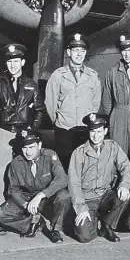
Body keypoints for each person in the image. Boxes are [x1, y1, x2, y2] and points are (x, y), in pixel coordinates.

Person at [0, 44, 45, 235]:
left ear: (23, 62)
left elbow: (39, 111)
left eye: (16, 61)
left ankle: (21, 217)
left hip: (24, 135)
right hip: (3, 132)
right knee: (2, 174)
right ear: (6, 63)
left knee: (23, 177)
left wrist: (31, 130)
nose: (13, 65)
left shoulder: (31, 85)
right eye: (10, 61)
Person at [0, 129, 70, 243]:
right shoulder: (16, 163)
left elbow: (62, 179)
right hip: (27, 199)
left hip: (46, 198)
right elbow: (13, 190)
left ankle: (55, 230)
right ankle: (34, 223)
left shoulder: (50, 155)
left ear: (39, 145)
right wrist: (25, 204)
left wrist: (41, 195)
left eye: (31, 147)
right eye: (25, 148)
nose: (28, 152)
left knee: (64, 195)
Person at [68, 113, 130, 243]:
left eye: (99, 131)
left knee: (125, 196)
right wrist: (81, 208)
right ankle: (93, 219)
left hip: (105, 195)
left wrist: (124, 185)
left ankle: (106, 225)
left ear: (105, 131)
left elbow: (126, 167)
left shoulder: (113, 147)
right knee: (84, 236)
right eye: (92, 131)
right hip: (87, 198)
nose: (96, 135)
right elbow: (73, 183)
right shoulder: (79, 152)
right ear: (88, 132)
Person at [45, 33, 102, 170]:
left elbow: (96, 102)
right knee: (65, 165)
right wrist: (59, 121)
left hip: (84, 128)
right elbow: (50, 102)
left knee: (85, 165)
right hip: (65, 129)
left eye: (82, 50)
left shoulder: (92, 76)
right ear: (69, 52)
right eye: (75, 50)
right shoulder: (58, 75)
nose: (79, 54)